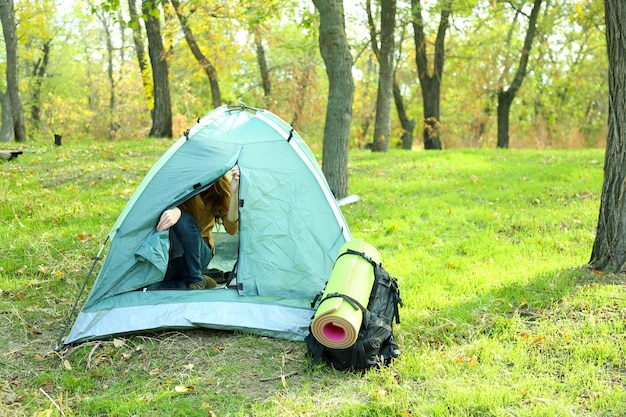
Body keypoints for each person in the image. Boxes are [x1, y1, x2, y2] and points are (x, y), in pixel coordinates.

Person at [154, 166, 240, 290]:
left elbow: (231, 229)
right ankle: (195, 283)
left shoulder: (217, 185)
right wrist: (176, 208)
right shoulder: (177, 179)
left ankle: (195, 281)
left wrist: (234, 194)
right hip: (171, 253)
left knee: (183, 220)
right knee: (150, 287)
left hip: (199, 254)